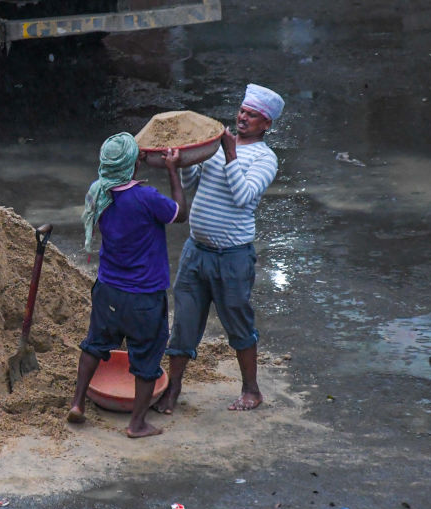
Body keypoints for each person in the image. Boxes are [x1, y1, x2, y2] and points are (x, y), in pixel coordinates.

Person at [153, 83, 283, 414]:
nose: (243, 118)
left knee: (238, 323)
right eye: (242, 111)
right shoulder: (218, 145)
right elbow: (193, 183)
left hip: (233, 257)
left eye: (253, 115)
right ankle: (174, 388)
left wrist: (230, 154)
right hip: (196, 251)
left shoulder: (266, 159)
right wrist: (181, 163)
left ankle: (251, 390)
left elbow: (243, 197)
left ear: (266, 124)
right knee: (183, 323)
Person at [67, 132, 187, 438]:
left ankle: (78, 402)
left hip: (107, 289)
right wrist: (172, 170)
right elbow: (179, 213)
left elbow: (117, 185)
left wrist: (131, 165)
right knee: (146, 356)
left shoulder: (98, 193)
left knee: (95, 343)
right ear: (134, 167)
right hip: (144, 296)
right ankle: (137, 424)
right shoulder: (147, 198)